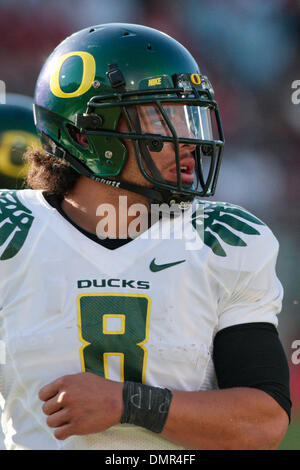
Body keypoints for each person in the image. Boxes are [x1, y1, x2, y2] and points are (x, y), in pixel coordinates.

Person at [0, 23, 291, 450]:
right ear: (87, 135)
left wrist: (128, 403)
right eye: (163, 117)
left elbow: (262, 423)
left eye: (190, 116)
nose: (189, 139)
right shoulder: (12, 231)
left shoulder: (223, 240)